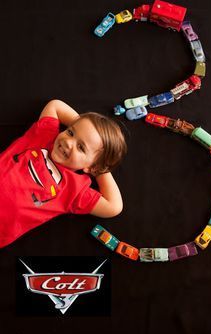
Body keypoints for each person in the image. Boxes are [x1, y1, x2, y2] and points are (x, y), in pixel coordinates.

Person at [0, 99, 127, 248]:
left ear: (93, 166)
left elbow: (114, 206)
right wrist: (83, 125)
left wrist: (99, 169)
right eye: (70, 132)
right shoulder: (44, 136)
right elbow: (55, 105)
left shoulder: (75, 190)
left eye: (81, 147)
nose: (68, 141)